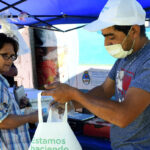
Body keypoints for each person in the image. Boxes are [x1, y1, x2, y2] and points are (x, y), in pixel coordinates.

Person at [42, 0, 150, 149]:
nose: (106, 43)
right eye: (104, 36)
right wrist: (70, 105)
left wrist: (74, 94)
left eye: (111, 36)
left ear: (134, 31)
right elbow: (104, 90)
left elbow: (123, 115)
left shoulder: (147, 61)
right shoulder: (125, 57)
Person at [0, 33, 38, 150]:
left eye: (12, 56)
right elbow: (2, 122)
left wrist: (17, 107)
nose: (10, 60)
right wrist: (30, 117)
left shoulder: (2, 81)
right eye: (5, 55)